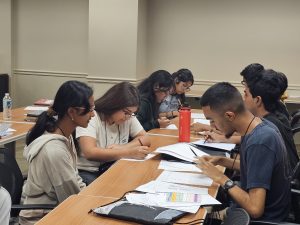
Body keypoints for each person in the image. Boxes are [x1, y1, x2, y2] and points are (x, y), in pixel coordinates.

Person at [196, 82, 291, 222]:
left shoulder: (259, 141)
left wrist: (220, 178)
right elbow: (257, 169)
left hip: (262, 219)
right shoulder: (258, 125)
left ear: (229, 116)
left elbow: (255, 209)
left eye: (212, 121)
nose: (212, 126)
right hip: (249, 210)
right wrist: (222, 161)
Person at [19, 81, 94, 225]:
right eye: (90, 109)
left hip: (57, 209)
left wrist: (92, 196)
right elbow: (70, 198)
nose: (93, 114)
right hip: (43, 217)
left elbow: (74, 179)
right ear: (72, 112)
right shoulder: (54, 149)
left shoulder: (66, 135)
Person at [76, 82, 151, 185]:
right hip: (89, 171)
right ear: (114, 104)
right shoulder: (92, 116)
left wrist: (124, 147)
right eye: (126, 113)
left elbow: (146, 138)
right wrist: (128, 153)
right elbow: (90, 152)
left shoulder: (128, 116)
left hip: (112, 165)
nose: (128, 117)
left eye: (132, 113)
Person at [241, 67, 299, 169]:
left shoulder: (266, 130)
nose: (243, 99)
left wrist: (220, 177)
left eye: (246, 94)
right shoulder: (275, 113)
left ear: (258, 100)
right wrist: (224, 161)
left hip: (283, 183)